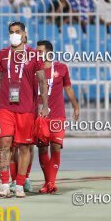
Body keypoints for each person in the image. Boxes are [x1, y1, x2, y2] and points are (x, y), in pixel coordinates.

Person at [0, 21, 49, 198]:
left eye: (17, 32)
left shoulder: (33, 55)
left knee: (24, 147)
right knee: (4, 143)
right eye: (11, 32)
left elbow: (42, 81)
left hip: (27, 108)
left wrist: (45, 105)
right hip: (6, 106)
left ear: (24, 34)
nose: (14, 35)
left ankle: (20, 184)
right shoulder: (2, 54)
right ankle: (5, 183)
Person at [35, 40, 79, 194]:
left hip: (57, 116)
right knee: (42, 149)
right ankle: (48, 182)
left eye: (40, 51)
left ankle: (51, 182)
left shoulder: (61, 68)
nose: (37, 54)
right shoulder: (34, 69)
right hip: (39, 117)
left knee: (55, 147)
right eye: (36, 51)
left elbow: (68, 88)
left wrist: (76, 106)